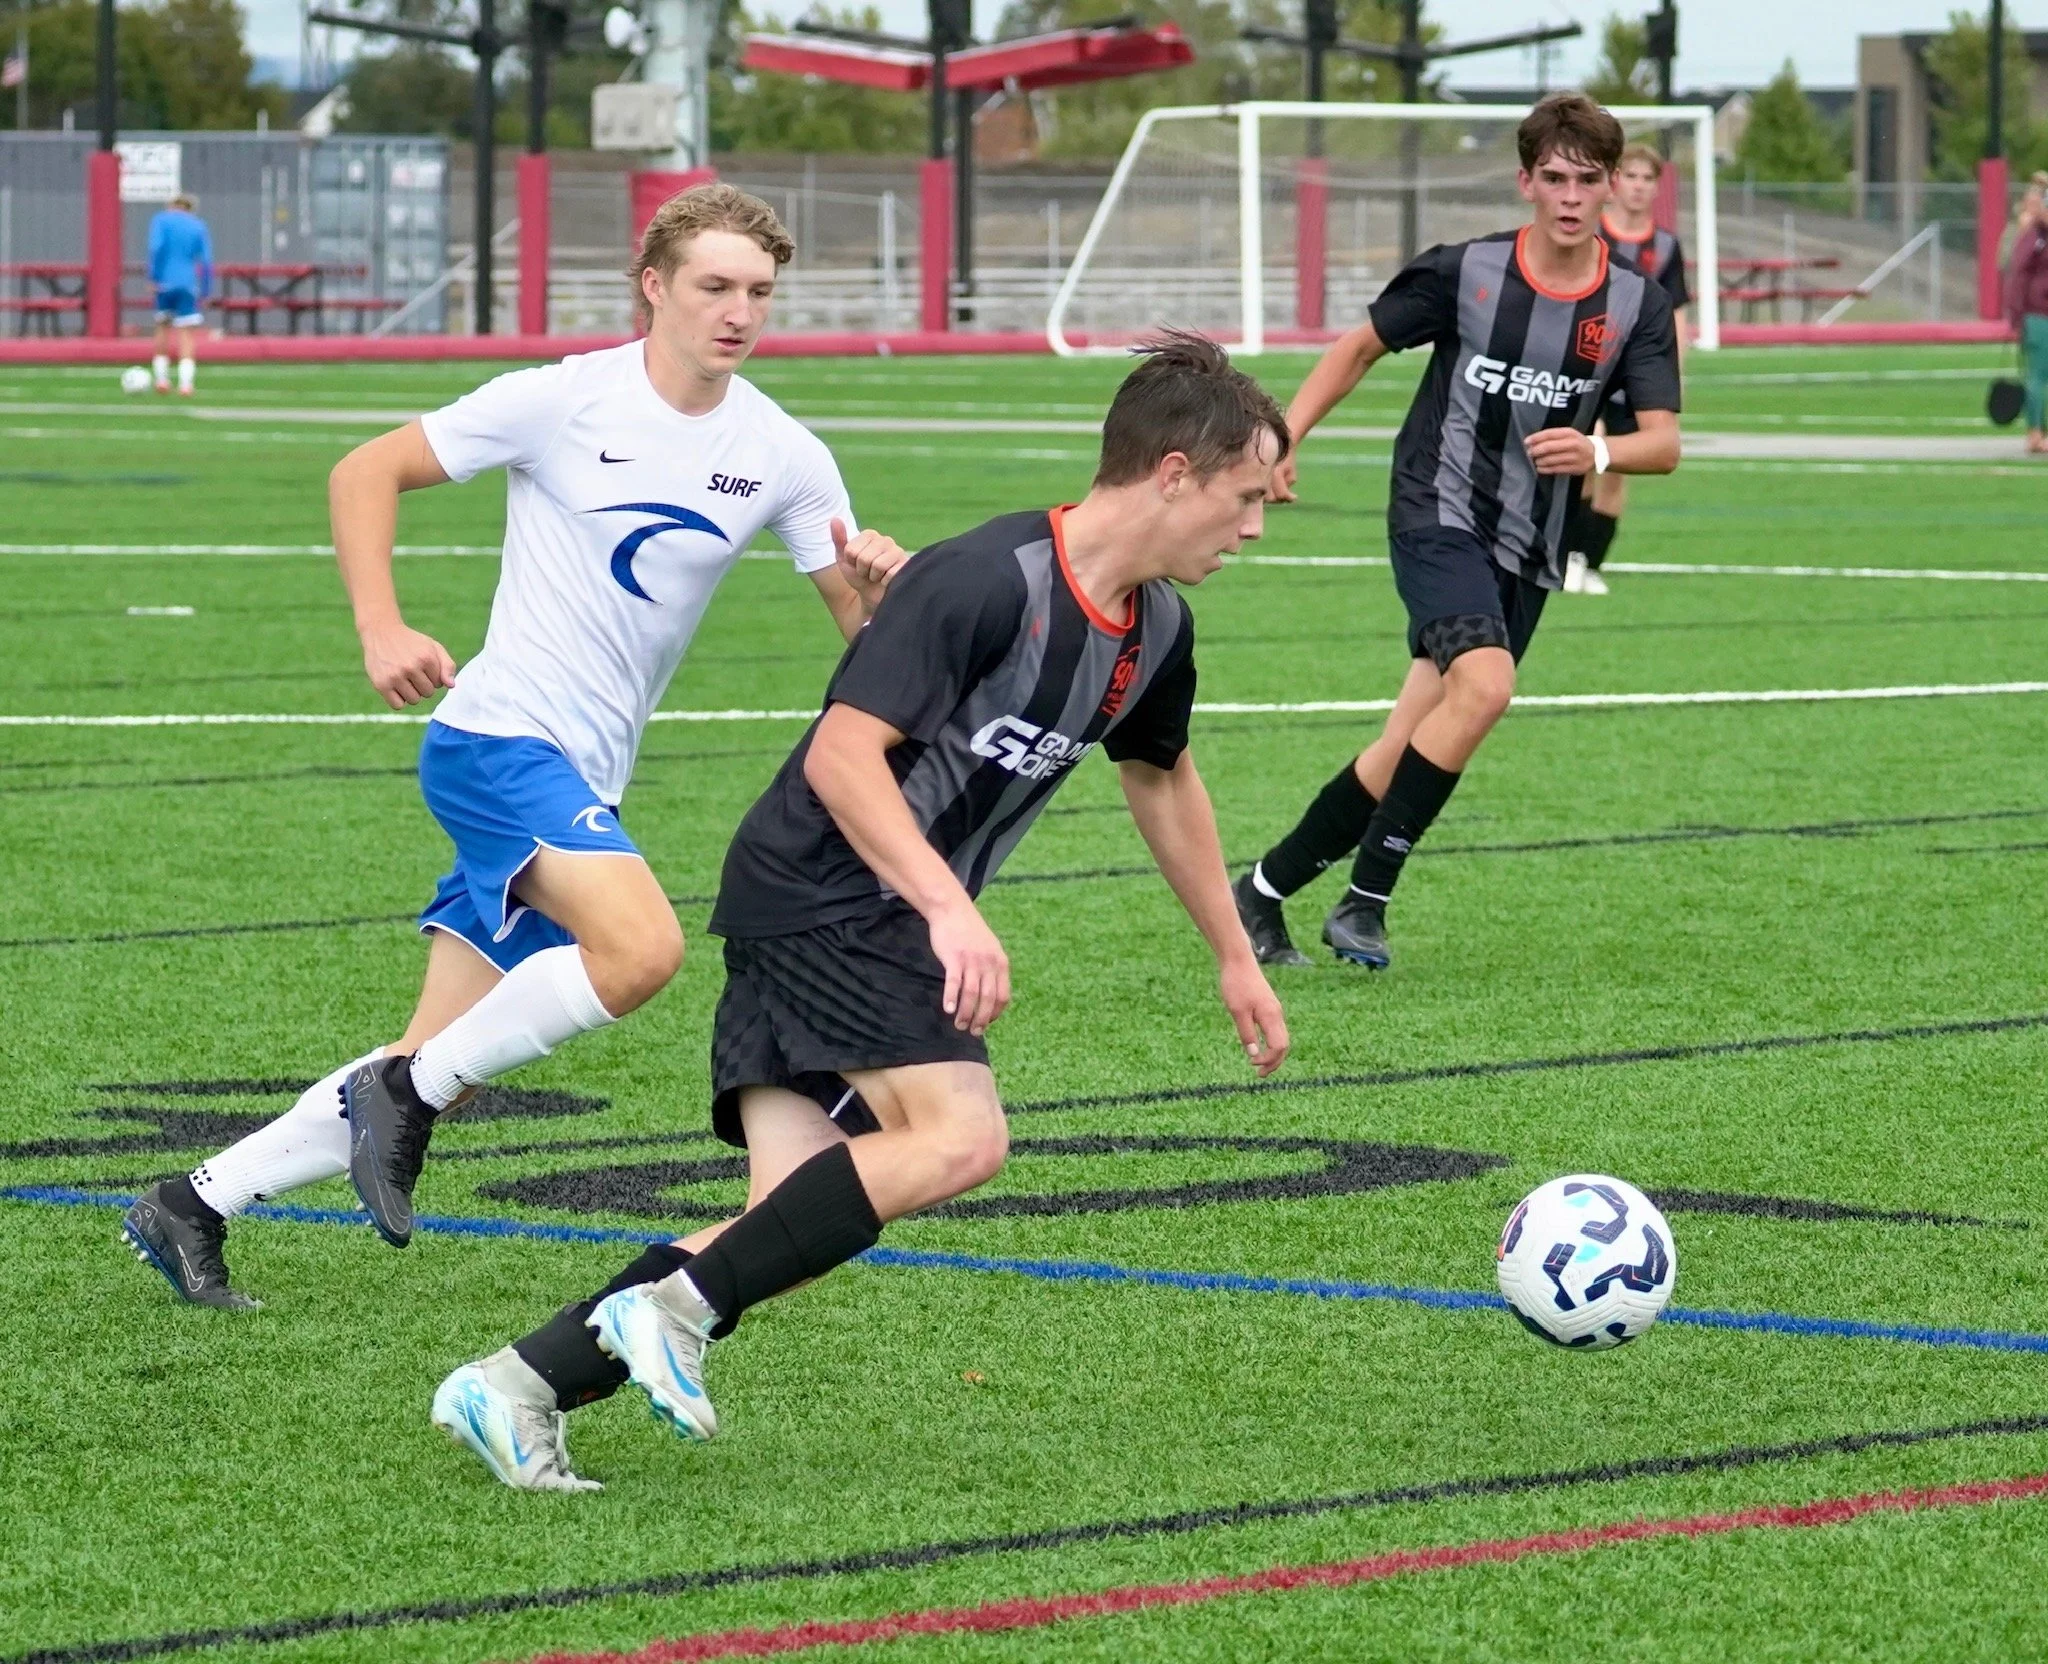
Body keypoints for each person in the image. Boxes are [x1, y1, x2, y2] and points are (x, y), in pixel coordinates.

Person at [430, 334, 1293, 1492]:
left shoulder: (1158, 633)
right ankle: (671, 1312)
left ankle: (515, 1383)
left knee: (788, 1225)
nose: (1252, 528)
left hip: (843, 903)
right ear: (1174, 472)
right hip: (831, 886)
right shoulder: (984, 577)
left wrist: (1234, 955)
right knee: (963, 1134)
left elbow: (1161, 777)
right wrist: (949, 908)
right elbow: (844, 757)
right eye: (1246, 497)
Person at [119, 185, 908, 1309]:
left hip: (585, 773)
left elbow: (860, 636)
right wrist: (380, 625)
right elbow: (364, 470)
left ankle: (193, 1200)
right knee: (639, 951)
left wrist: (882, 595)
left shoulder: (782, 452)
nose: (737, 312)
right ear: (654, 286)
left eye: (758, 293)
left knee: (448, 1051)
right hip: (496, 739)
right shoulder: (561, 400)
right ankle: (404, 1092)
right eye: (714, 286)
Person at [1231, 93, 1682, 972]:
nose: (1570, 196)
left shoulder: (1637, 304)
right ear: (1525, 182)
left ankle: (1264, 890)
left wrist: (1595, 445)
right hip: (1435, 509)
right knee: (1485, 685)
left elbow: (1663, 443)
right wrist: (1283, 442)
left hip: (1532, 541)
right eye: (1553, 178)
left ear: (1608, 192)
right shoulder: (1465, 272)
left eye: (1586, 181)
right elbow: (1357, 347)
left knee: (1410, 740)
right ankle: (1365, 901)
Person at [1565, 141, 1691, 595]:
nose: (1638, 187)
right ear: (1616, 184)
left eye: (1647, 179)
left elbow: (1677, 314)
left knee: (1616, 467)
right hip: (1587, 365)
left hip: (1637, 375)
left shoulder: (1665, 246)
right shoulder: (1589, 233)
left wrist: (1674, 374)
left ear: (1657, 188)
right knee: (1579, 459)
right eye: (1631, 177)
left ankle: (1591, 563)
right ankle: (1567, 557)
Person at [147, 193, 213, 396]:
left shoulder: (161, 220)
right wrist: (207, 289)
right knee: (187, 333)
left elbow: (155, 248)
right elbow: (207, 260)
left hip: (165, 282)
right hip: (187, 282)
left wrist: (154, 277)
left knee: (162, 328)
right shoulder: (198, 225)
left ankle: (162, 379)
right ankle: (186, 384)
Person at [2005, 172, 2048, 457]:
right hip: (2038, 314)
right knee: (2037, 375)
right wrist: (2016, 313)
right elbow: (2017, 275)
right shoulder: (2033, 237)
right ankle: (2035, 432)